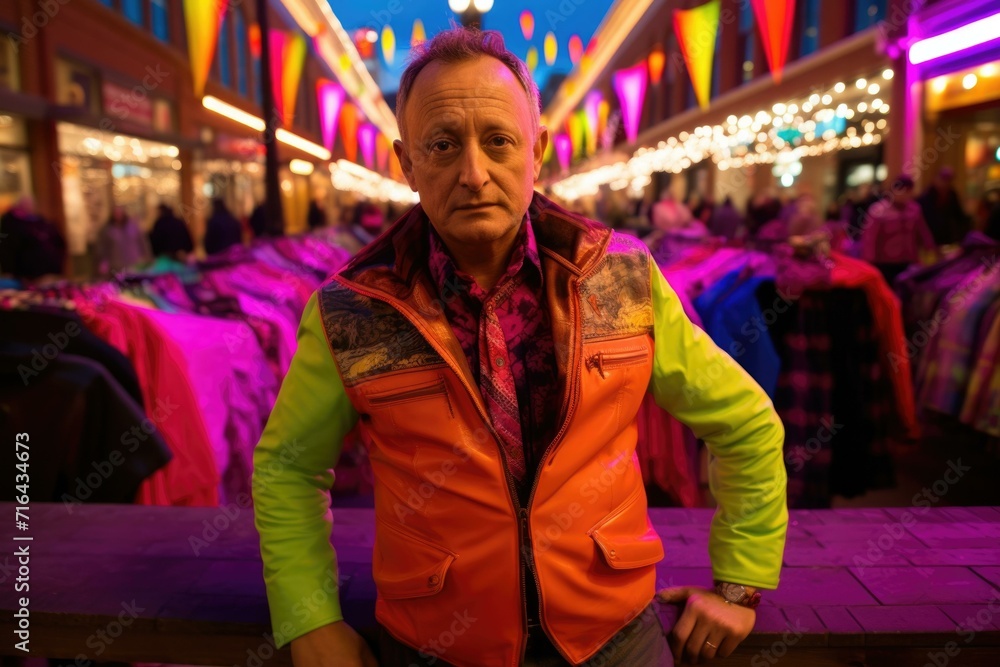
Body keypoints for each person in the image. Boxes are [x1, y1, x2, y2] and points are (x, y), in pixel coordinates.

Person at [253, 27, 786, 667]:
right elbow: (287, 468)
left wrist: (739, 585)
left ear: (535, 152)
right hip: (436, 645)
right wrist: (310, 619)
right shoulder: (352, 310)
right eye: (443, 145)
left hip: (613, 636)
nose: (474, 174)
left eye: (498, 142)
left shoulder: (622, 279)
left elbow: (746, 422)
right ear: (407, 163)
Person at [862, 175, 937, 285]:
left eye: (908, 191)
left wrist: (931, 250)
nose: (904, 194)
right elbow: (869, 239)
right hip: (885, 263)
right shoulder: (878, 211)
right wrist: (869, 264)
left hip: (908, 261)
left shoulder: (914, 209)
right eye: (901, 190)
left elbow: (923, 232)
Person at [0, 195, 66, 280]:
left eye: (31, 205)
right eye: (27, 205)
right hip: (25, 274)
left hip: (48, 271)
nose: (30, 207)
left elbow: (58, 242)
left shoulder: (40, 221)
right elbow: (7, 248)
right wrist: (8, 270)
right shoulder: (10, 224)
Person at [918, 167, 970, 245]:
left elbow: (959, 216)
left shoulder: (952, 195)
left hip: (946, 237)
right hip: (929, 236)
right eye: (943, 179)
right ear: (935, 178)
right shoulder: (926, 196)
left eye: (948, 180)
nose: (945, 183)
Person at [95, 205, 150, 276]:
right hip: (116, 265)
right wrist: (103, 262)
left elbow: (142, 242)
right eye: (116, 213)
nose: (118, 215)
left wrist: (147, 257)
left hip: (134, 262)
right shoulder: (108, 230)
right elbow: (103, 248)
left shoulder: (133, 226)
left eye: (119, 213)